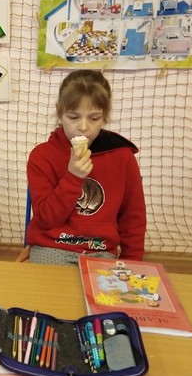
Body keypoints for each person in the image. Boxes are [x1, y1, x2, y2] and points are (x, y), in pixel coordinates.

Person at [17, 70, 146, 265]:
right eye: (73, 117)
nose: (83, 127)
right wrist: (73, 177)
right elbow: (46, 220)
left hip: (100, 249)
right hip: (51, 246)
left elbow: (133, 217)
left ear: (105, 116)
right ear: (60, 112)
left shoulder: (122, 157)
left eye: (94, 118)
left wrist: (132, 262)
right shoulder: (42, 156)